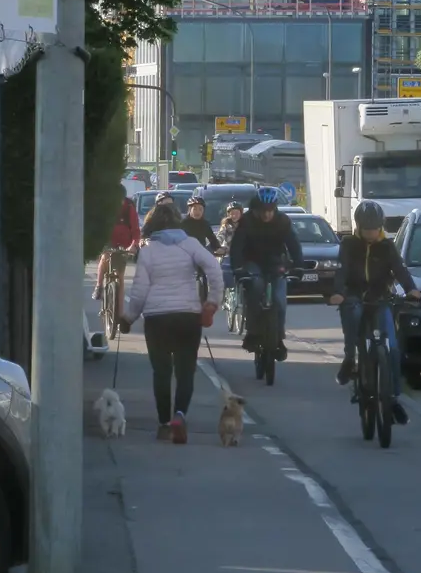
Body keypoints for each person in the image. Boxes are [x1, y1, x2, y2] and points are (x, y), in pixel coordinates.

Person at [122, 203, 224, 444]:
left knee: (162, 372)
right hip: (188, 316)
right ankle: (179, 415)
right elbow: (214, 270)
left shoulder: (148, 251)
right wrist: (211, 302)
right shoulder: (190, 244)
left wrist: (128, 318)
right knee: (185, 370)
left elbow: (139, 291)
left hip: (157, 318)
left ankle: (164, 424)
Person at [328, 200, 420, 424]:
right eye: (366, 229)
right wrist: (338, 292)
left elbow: (399, 269)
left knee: (393, 349)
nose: (370, 233)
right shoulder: (349, 244)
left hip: (380, 298)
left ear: (381, 226)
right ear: (358, 227)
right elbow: (342, 270)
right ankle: (350, 359)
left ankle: (394, 398)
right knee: (353, 315)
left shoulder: (387, 246)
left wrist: (411, 289)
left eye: (374, 229)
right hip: (354, 295)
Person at [228, 187, 302, 359]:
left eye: (270, 211)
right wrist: (238, 268)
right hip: (252, 262)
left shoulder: (283, 221)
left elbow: (294, 245)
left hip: (275, 262)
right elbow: (237, 247)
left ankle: (278, 338)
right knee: (256, 286)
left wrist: (298, 266)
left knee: (279, 300)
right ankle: (252, 333)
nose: (267, 215)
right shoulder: (247, 221)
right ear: (257, 208)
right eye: (264, 211)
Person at [94, 193, 142, 301]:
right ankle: (99, 285)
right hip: (109, 240)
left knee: (120, 278)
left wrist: (134, 245)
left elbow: (135, 229)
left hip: (124, 244)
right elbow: (99, 226)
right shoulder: (105, 207)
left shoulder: (129, 207)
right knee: (105, 257)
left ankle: (119, 314)